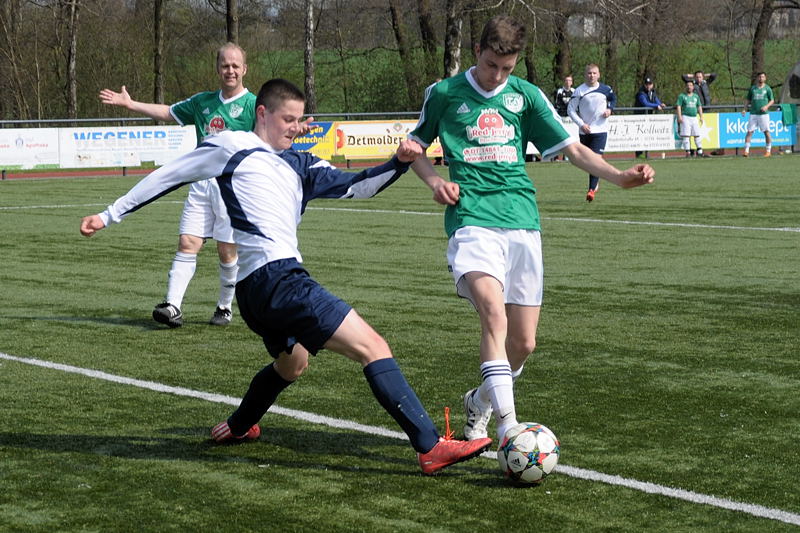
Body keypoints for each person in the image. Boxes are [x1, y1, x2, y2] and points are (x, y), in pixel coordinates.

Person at [81, 78, 493, 475]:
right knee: (373, 345)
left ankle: (240, 424)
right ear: (262, 114)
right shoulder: (232, 144)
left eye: (300, 120)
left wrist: (398, 164)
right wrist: (109, 214)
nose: (296, 128)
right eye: (288, 119)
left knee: (293, 364)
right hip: (279, 280)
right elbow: (167, 176)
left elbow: (358, 187)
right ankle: (429, 446)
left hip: (255, 293)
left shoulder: (302, 164)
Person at [407, 15, 655, 444]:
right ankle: (509, 429)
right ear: (477, 52)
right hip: (472, 222)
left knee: (523, 344)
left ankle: (480, 401)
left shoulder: (525, 96)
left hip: (522, 222)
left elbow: (573, 149)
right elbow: (413, 149)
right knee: (493, 313)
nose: (497, 75)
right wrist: (434, 181)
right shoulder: (444, 94)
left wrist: (618, 177)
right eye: (490, 65)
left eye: (506, 68)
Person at [99, 43, 255, 328]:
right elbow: (168, 112)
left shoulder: (254, 105)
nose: (230, 70)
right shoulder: (202, 102)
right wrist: (131, 104)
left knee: (226, 249)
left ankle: (224, 307)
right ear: (217, 69)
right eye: (225, 65)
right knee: (187, 242)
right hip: (200, 185)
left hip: (233, 190)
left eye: (235, 65)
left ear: (244, 69)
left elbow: (272, 135)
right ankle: (172, 305)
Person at [568, 63, 617, 201]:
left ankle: (591, 190)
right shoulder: (579, 91)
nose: (592, 76)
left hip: (600, 131)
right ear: (585, 75)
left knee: (596, 159)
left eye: (594, 73)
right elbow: (570, 110)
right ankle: (596, 180)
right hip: (585, 132)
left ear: (599, 74)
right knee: (589, 163)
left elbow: (613, 99)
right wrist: (581, 124)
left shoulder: (605, 89)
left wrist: (610, 109)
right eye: (589, 73)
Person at [741, 72, 775, 157]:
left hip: (763, 114)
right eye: (759, 77)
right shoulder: (753, 89)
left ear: (765, 78)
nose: (761, 78)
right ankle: (746, 151)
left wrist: (766, 106)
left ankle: (768, 151)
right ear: (757, 78)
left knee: (766, 132)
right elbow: (748, 100)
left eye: (763, 77)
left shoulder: (767, 89)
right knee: (749, 131)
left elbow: (772, 100)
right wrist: (744, 109)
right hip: (753, 113)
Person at [633, 77, 666, 158]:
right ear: (644, 85)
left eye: (650, 84)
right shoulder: (641, 93)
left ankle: (646, 153)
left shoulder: (652, 92)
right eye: (647, 84)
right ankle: (639, 154)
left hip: (648, 117)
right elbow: (645, 103)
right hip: (640, 117)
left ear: (652, 85)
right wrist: (656, 106)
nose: (648, 86)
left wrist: (661, 104)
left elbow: (656, 100)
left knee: (647, 135)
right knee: (640, 136)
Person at [676, 80, 707, 157]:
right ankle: (688, 152)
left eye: (690, 85)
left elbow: (699, 106)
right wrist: (679, 116)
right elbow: (678, 106)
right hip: (685, 117)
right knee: (686, 135)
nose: (689, 87)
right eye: (688, 85)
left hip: (694, 117)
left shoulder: (696, 96)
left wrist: (701, 116)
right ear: (686, 87)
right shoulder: (682, 96)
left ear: (693, 87)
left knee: (697, 134)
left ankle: (700, 151)